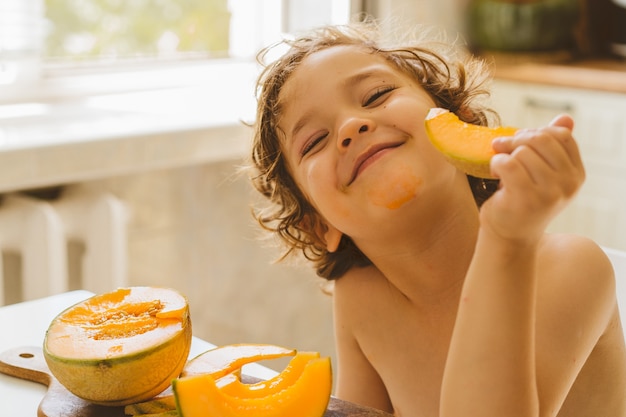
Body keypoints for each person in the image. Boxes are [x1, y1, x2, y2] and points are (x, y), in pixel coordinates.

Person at [247, 20, 626, 417]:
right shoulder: (361, 297)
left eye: (377, 95)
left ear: (455, 117)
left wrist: (508, 240)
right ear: (319, 223)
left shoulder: (570, 269)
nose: (350, 126)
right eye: (315, 142)